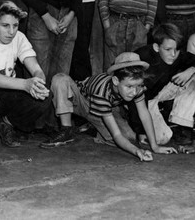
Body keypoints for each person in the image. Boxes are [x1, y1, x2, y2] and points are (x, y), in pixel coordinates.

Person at [40, 52, 177, 160]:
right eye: (129, 86)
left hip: (105, 110)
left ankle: (92, 129)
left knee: (129, 139)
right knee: (60, 78)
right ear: (116, 80)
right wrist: (137, 152)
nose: (134, 92)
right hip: (80, 102)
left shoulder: (137, 88)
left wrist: (155, 146)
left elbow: (144, 114)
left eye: (138, 86)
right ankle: (66, 129)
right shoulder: (102, 90)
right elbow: (117, 135)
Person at [0, 0, 53, 148]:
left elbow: (37, 70)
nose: (11, 31)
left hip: (6, 92)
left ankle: (6, 123)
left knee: (45, 94)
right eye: (5, 25)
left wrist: (37, 84)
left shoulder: (19, 37)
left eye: (15, 25)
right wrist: (25, 84)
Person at [129, 24, 195, 145]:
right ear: (156, 47)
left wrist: (190, 70)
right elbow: (133, 96)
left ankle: (177, 123)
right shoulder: (141, 57)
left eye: (176, 49)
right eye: (168, 50)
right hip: (139, 100)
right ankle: (128, 118)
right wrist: (140, 130)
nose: (173, 54)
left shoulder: (176, 55)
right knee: (161, 139)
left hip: (160, 92)